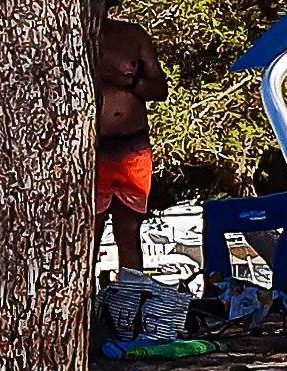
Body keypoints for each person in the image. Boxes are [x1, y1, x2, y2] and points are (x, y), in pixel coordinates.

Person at [95, 0, 168, 273]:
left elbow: (160, 89)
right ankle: (87, 305)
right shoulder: (73, 38)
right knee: (90, 230)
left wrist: (126, 81)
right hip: (92, 149)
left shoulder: (133, 35)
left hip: (132, 145)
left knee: (128, 232)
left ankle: (131, 301)